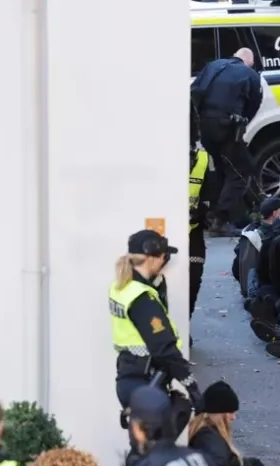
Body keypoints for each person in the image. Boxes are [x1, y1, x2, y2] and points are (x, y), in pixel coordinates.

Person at [110, 229, 201, 435]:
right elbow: (163, 347)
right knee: (159, 443)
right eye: (162, 256)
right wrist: (191, 385)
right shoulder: (142, 298)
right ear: (150, 257)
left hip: (130, 378)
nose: (163, 261)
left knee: (144, 444)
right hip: (146, 381)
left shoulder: (122, 287)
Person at [190, 47, 263, 233]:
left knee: (222, 168)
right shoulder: (250, 74)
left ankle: (221, 214)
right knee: (241, 171)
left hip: (204, 126)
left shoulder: (213, 66)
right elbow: (253, 105)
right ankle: (220, 218)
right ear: (249, 62)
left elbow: (195, 91)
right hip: (226, 127)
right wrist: (240, 122)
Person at [189, 144, 211, 317]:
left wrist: (204, 213)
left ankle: (185, 318)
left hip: (193, 229)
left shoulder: (202, 159)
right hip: (162, 231)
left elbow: (212, 193)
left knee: (194, 278)